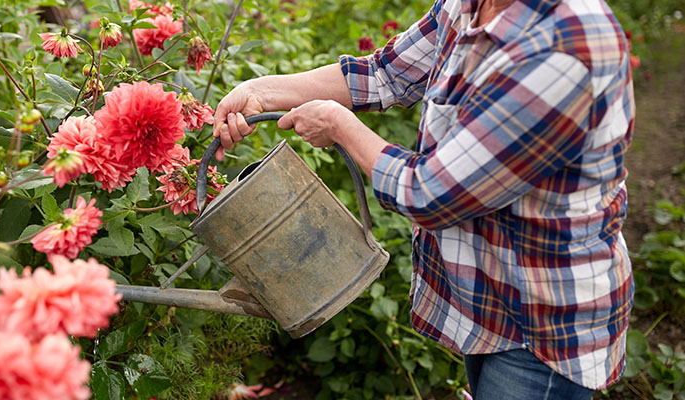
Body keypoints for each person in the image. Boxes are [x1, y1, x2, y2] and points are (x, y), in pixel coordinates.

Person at [212, 0, 635, 398]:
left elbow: (431, 194)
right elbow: (385, 74)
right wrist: (262, 92)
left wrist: (339, 125)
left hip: (544, 325)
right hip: (492, 300)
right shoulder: (473, 5)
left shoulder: (566, 50)